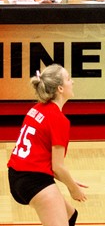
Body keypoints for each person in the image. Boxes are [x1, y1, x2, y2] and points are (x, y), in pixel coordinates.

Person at [7, 64, 87, 226]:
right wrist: (73, 189)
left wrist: (69, 180)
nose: (73, 82)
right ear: (60, 88)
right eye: (69, 79)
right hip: (33, 181)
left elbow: (43, 159)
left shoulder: (36, 109)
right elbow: (57, 166)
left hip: (17, 175)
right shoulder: (58, 120)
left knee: (70, 215)